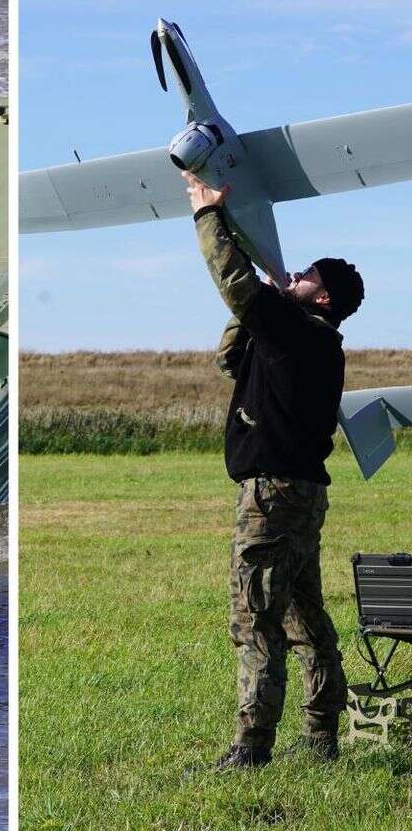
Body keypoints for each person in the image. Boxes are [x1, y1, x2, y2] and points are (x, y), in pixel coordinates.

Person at [185, 172, 364, 770]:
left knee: (256, 618)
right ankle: (321, 738)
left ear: (323, 298)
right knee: (303, 615)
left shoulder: (299, 333)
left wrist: (209, 216)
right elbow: (230, 356)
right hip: (300, 494)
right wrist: (268, 301)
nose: (293, 275)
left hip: (272, 496)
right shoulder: (310, 341)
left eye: (305, 275)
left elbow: (233, 286)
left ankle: (252, 748)